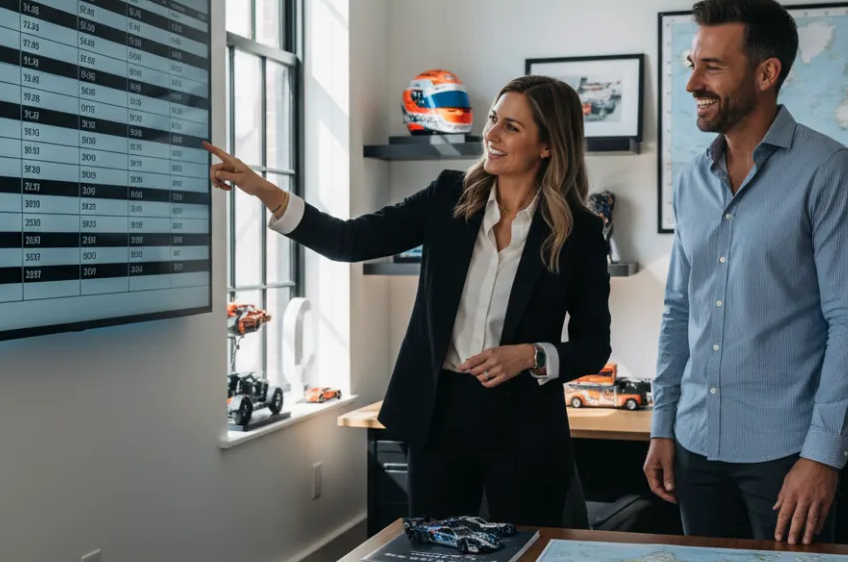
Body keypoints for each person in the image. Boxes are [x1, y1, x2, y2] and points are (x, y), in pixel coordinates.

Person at [205, 75, 612, 527]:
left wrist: (531, 355)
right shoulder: (446, 198)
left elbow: (595, 345)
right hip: (439, 415)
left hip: (525, 425)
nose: (491, 135)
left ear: (548, 146)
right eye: (494, 119)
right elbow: (349, 239)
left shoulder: (580, 232)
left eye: (511, 127)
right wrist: (264, 189)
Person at [643, 0, 848, 546]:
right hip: (694, 446)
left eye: (713, 66)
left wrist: (822, 457)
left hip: (786, 458)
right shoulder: (690, 182)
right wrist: (663, 425)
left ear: (768, 73)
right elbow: (680, 309)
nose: (692, 83)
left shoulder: (830, 174)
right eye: (692, 64)